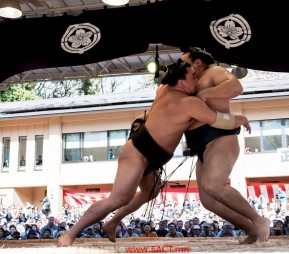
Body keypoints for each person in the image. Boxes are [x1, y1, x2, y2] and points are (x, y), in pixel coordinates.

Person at [57, 60, 250, 247]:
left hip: (153, 156)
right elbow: (219, 121)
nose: (197, 80)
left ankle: (112, 222)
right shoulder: (190, 103)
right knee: (119, 198)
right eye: (193, 77)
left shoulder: (163, 90)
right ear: (181, 83)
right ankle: (70, 234)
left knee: (150, 192)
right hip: (138, 151)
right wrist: (241, 118)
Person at [181, 47, 270, 244]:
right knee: (208, 200)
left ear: (197, 63)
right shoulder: (191, 81)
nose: (182, 66)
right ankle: (250, 229)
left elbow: (236, 87)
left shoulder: (212, 72)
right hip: (201, 145)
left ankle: (258, 219)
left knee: (213, 184)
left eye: (185, 62)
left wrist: (206, 94)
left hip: (220, 138)